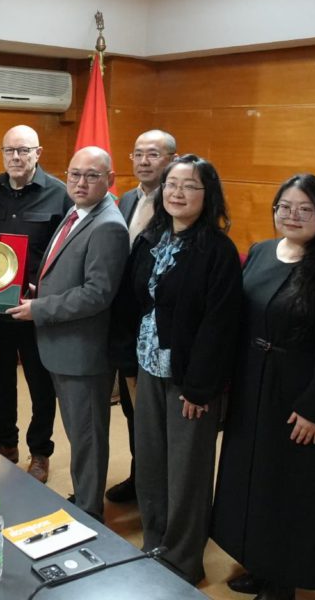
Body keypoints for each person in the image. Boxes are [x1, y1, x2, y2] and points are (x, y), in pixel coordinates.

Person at [212, 174, 315, 600]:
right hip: (253, 387)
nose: (292, 216)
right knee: (252, 480)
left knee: (291, 489)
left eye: (305, 209)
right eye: (285, 207)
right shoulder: (261, 252)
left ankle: (283, 581)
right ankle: (258, 564)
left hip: (302, 396)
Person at [113, 153, 242, 583]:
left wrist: (200, 388)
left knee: (187, 471)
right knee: (150, 460)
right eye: (171, 184)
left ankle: (183, 558)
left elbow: (219, 326)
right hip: (148, 368)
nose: (177, 193)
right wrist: (129, 366)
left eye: (189, 185)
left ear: (208, 195)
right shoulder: (150, 240)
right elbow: (131, 305)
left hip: (190, 380)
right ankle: (154, 542)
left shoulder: (217, 251)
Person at [8, 146, 129, 520]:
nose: (80, 182)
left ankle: (90, 511)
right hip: (63, 347)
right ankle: (84, 498)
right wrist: (38, 291)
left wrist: (40, 309)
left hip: (83, 353)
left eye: (92, 175)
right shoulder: (77, 212)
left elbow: (97, 294)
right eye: (74, 174)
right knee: (79, 431)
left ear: (109, 180)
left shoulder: (108, 225)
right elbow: (66, 270)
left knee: (87, 436)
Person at [0, 125, 71, 483]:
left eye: (24, 150)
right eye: (9, 150)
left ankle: (40, 451)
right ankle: (6, 444)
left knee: (40, 385)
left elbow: (68, 253)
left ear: (38, 153)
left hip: (36, 311)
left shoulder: (59, 194)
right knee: (0, 381)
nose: (16, 157)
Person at [107, 129, 177, 503]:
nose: (143, 161)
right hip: (126, 320)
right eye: (138, 154)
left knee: (156, 413)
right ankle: (140, 478)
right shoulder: (127, 199)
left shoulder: (178, 202)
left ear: (172, 160)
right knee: (134, 409)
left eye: (153, 154)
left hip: (158, 324)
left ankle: (160, 490)